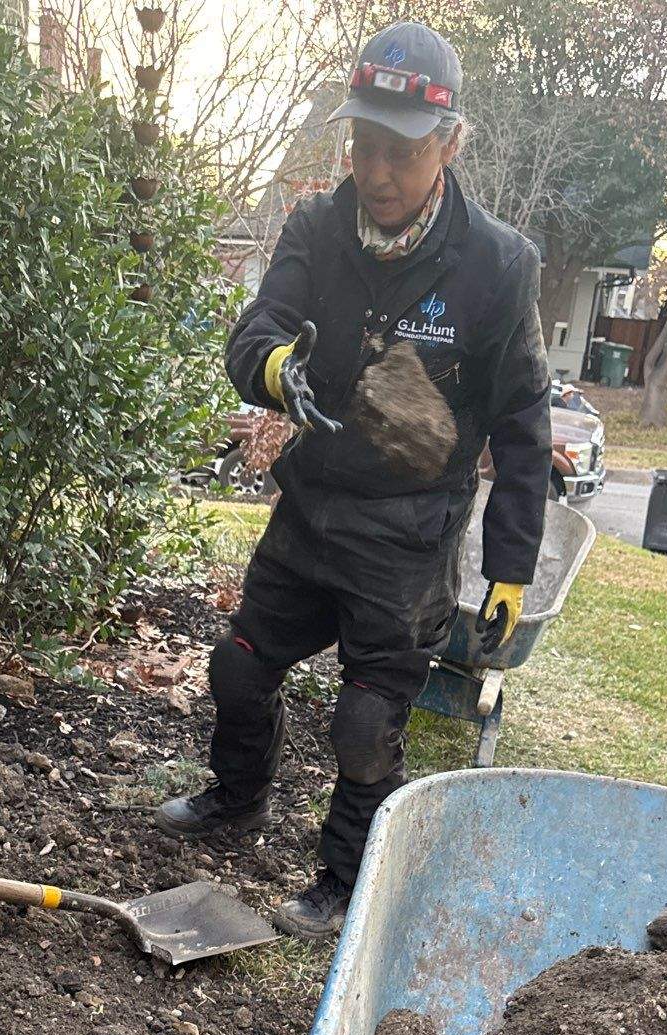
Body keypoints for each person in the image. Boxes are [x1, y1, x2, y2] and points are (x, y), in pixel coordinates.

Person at [160, 20, 551, 936]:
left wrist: (511, 567)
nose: (376, 172)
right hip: (311, 509)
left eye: (401, 152)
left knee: (365, 723)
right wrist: (274, 370)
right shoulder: (317, 225)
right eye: (363, 144)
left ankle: (342, 876)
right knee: (239, 669)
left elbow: (523, 422)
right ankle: (237, 797)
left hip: (409, 534)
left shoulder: (498, 265)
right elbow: (255, 332)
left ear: (449, 145)